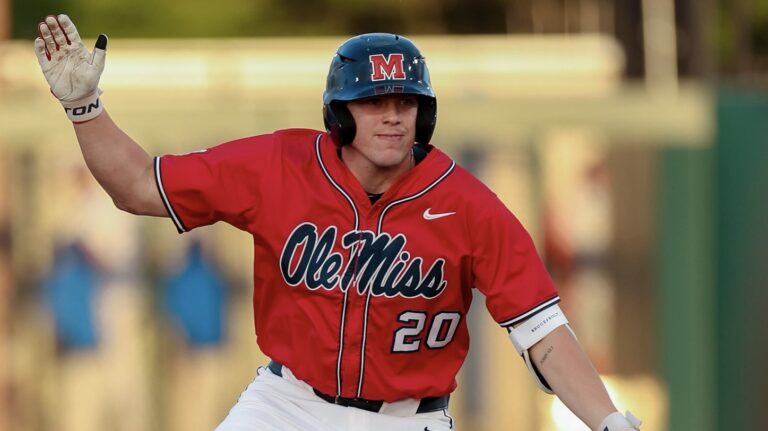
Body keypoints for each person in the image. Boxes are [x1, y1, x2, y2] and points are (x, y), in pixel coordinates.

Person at [34, 14, 642, 431]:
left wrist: (609, 420)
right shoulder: (279, 165)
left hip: (411, 417)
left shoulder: (467, 205)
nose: (392, 116)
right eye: (373, 101)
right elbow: (139, 186)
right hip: (288, 404)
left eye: (406, 102)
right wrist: (84, 109)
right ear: (339, 114)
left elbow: (543, 332)